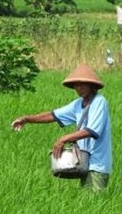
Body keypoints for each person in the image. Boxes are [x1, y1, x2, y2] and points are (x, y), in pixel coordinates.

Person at [11, 63, 113, 191]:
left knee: (95, 202)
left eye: (82, 84)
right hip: (83, 163)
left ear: (91, 85)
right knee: (86, 204)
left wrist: (64, 139)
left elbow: (92, 131)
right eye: (76, 85)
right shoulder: (78, 104)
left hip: (97, 165)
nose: (78, 88)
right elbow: (53, 115)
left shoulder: (99, 102)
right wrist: (27, 119)